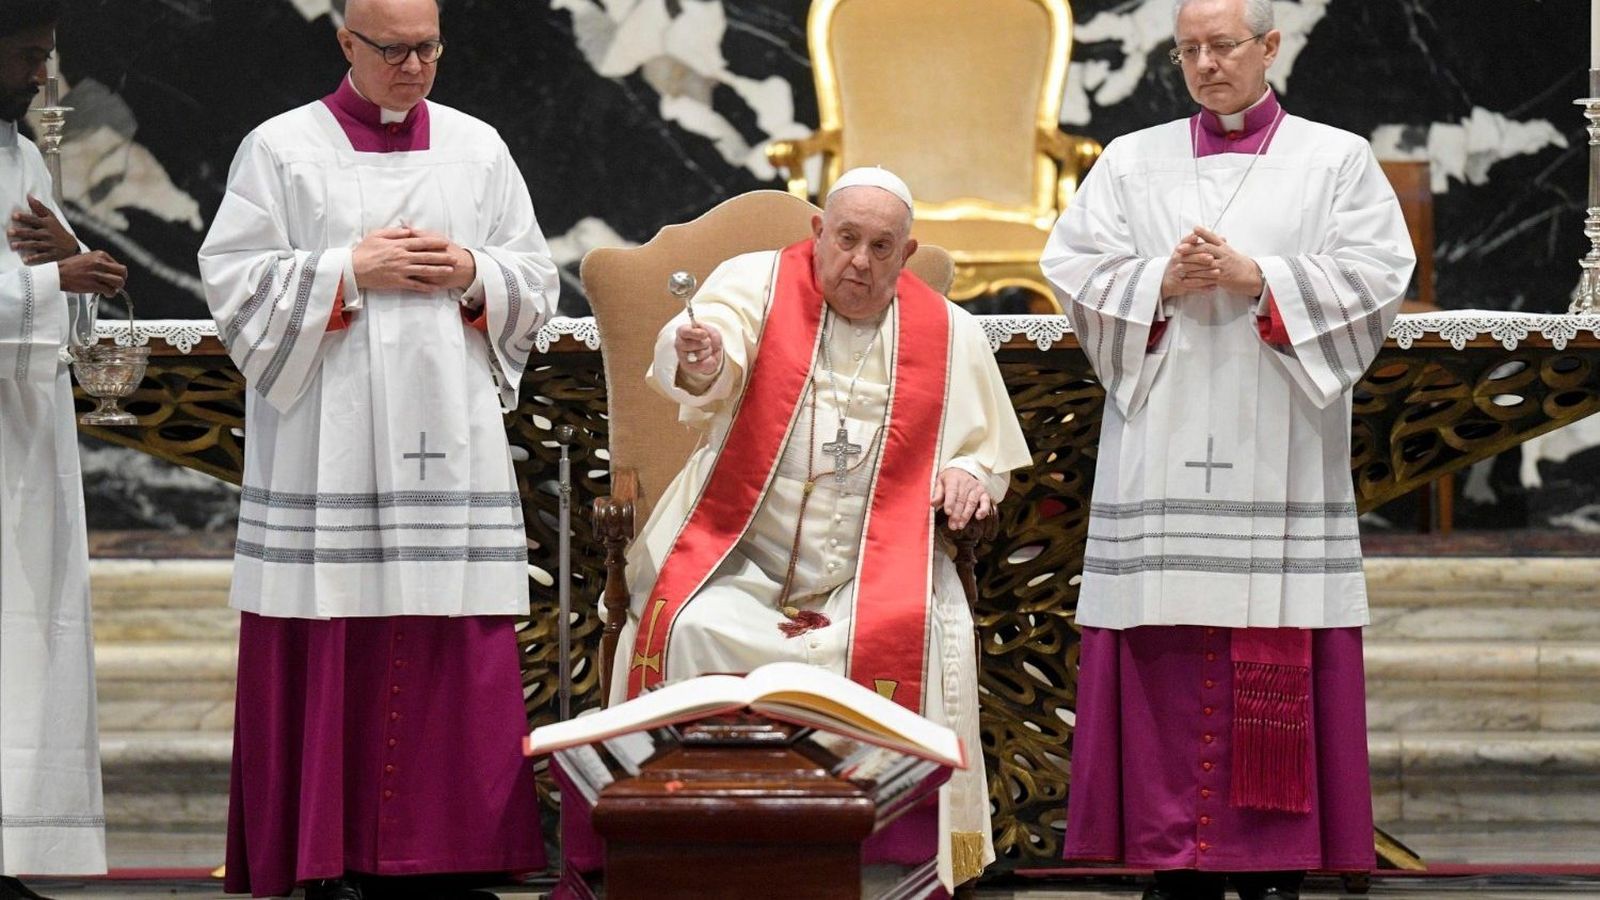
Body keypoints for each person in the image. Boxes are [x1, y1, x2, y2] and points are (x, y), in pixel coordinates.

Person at [1040, 0, 1415, 897]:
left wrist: (1262, 279)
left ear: (1270, 48)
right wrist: (1155, 282)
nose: (1206, 64)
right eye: (1189, 50)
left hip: (1277, 440)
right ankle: (1173, 856)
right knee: (1165, 647)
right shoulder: (1133, 161)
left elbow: (1376, 276)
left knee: (1270, 635)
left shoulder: (1336, 159)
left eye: (1223, 46)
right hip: (1163, 439)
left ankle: (1276, 855)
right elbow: (1073, 264)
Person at [580, 168, 1030, 893]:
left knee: (913, 627)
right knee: (691, 625)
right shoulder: (755, 283)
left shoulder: (949, 332)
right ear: (817, 232)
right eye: (846, 238)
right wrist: (702, 361)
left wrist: (970, 476)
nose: (860, 260)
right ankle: (684, 850)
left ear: (906, 256)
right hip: (738, 555)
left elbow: (982, 449)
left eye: (882, 247)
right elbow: (705, 353)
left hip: (874, 568)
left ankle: (886, 868)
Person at [197, 0, 559, 896]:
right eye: (392, 50)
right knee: (335, 622)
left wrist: (475, 273)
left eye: (427, 48)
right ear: (345, 44)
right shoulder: (280, 149)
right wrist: (346, 270)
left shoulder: (478, 147)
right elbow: (235, 284)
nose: (412, 67)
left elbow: (537, 276)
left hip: (450, 428)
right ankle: (328, 855)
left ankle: (453, 856)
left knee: (452, 632)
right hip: (332, 430)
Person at [0, 4, 128, 899]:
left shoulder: (22, 155)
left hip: (26, 436)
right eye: (28, 57)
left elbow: (38, 290)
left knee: (27, 649)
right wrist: (56, 279)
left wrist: (73, 267)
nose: (42, 77)